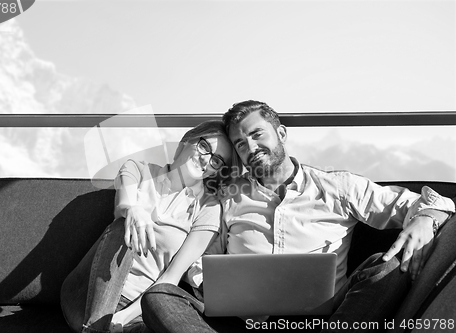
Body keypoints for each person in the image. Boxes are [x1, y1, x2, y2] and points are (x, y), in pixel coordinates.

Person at [140, 100, 456, 333]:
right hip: (242, 325)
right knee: (159, 296)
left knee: (386, 265)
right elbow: (200, 262)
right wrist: (217, 287)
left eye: (256, 134)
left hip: (323, 323)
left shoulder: (338, 187)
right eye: (240, 143)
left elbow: (428, 202)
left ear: (281, 133)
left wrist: (426, 217)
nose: (250, 146)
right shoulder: (227, 197)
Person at [60, 120, 242, 333]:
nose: (206, 160)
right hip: (85, 293)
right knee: (123, 226)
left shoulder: (208, 208)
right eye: (204, 147)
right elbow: (123, 205)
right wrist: (132, 210)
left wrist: (121, 318)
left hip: (134, 311)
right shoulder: (137, 169)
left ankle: (98, 328)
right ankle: (97, 327)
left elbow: (170, 279)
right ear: (185, 142)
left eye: (217, 160)